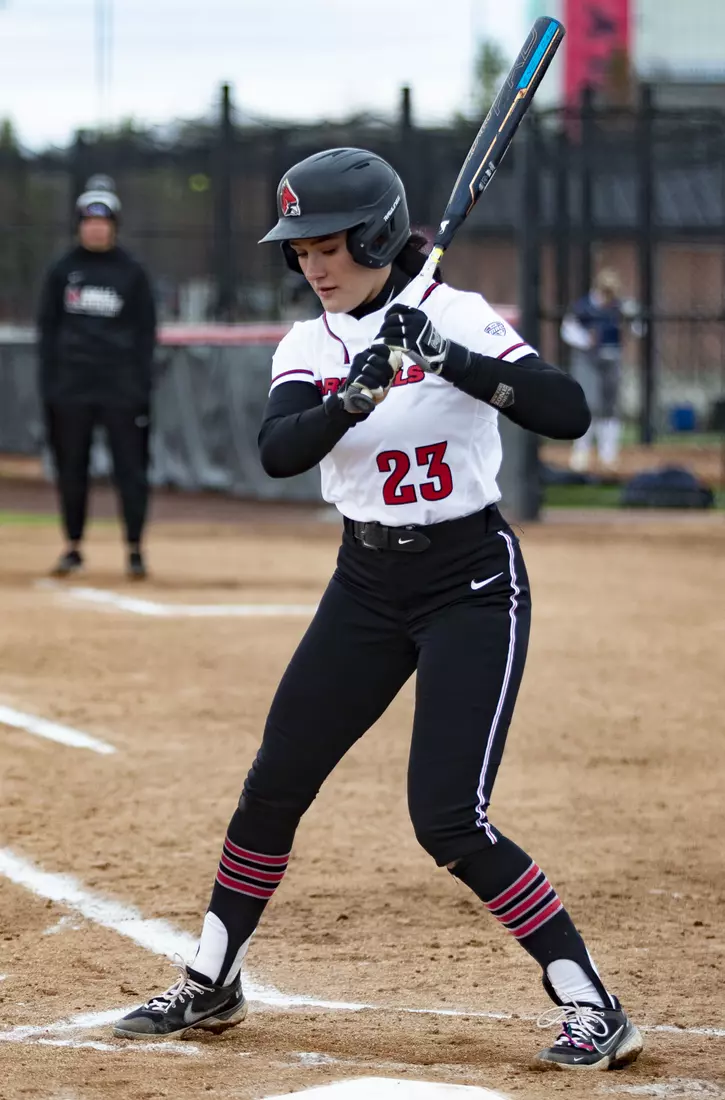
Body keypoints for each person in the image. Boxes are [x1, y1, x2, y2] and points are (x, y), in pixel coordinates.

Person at [114, 148, 643, 1070]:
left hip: (467, 581)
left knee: (446, 817)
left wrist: (452, 360)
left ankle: (590, 1001)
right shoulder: (309, 346)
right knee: (274, 783)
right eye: (299, 250)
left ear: (377, 237)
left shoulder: (455, 315)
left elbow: (567, 413)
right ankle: (213, 976)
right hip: (364, 582)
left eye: (327, 246)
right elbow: (280, 450)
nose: (311, 265)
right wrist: (352, 397)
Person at [37, 176, 157, 579]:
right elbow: (47, 331)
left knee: (131, 470)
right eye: (88, 221)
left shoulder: (132, 272)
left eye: (103, 221)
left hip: (121, 389)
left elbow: (145, 333)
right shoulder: (62, 271)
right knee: (72, 468)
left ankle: (135, 549)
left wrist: (140, 387)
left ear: (114, 225)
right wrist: (51, 387)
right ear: (79, 225)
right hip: (71, 389)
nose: (96, 227)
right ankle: (73, 546)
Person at [561, 269, 631, 474]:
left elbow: (636, 329)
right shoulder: (583, 307)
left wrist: (631, 318)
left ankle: (608, 454)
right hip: (588, 359)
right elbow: (568, 330)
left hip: (612, 357)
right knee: (589, 403)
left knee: (611, 405)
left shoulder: (620, 307)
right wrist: (585, 340)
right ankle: (581, 452)